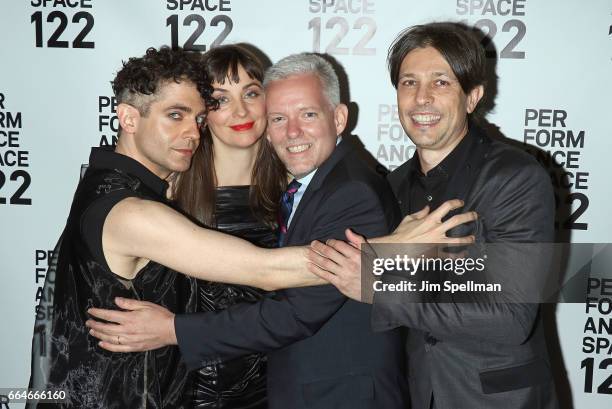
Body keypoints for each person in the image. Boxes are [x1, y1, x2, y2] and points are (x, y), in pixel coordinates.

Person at [86, 52, 475, 408]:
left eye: (307, 115)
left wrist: (174, 330)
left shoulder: (345, 190)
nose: (292, 131)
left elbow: (289, 303)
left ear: (338, 118)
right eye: (280, 118)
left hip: (323, 390)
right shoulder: (167, 191)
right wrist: (387, 248)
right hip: (197, 381)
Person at [27, 46, 322, 409]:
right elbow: (264, 270)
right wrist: (383, 260)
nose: (192, 134)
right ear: (128, 118)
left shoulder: (117, 187)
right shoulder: (132, 213)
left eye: (198, 119)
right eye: (175, 115)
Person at [308, 22, 559, 409]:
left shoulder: (515, 177)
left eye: (441, 83)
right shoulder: (389, 188)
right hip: (418, 393)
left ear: (472, 96)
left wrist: (381, 286)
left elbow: (510, 317)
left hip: (499, 399)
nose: (421, 99)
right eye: (409, 83)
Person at [173, 44, 285, 409]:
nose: (241, 111)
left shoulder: (296, 183)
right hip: (191, 378)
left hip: (277, 374)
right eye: (221, 100)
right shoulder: (173, 184)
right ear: (203, 112)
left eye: (251, 93)